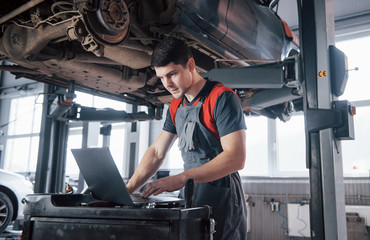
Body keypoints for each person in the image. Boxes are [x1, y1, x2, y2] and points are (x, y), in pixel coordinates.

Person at [126, 37, 248, 240]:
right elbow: (157, 152)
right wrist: (128, 189)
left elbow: (236, 158)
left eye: (172, 74)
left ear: (190, 65)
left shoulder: (221, 98)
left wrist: (182, 178)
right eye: (162, 77)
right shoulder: (175, 106)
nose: (167, 84)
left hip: (223, 196)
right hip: (192, 194)